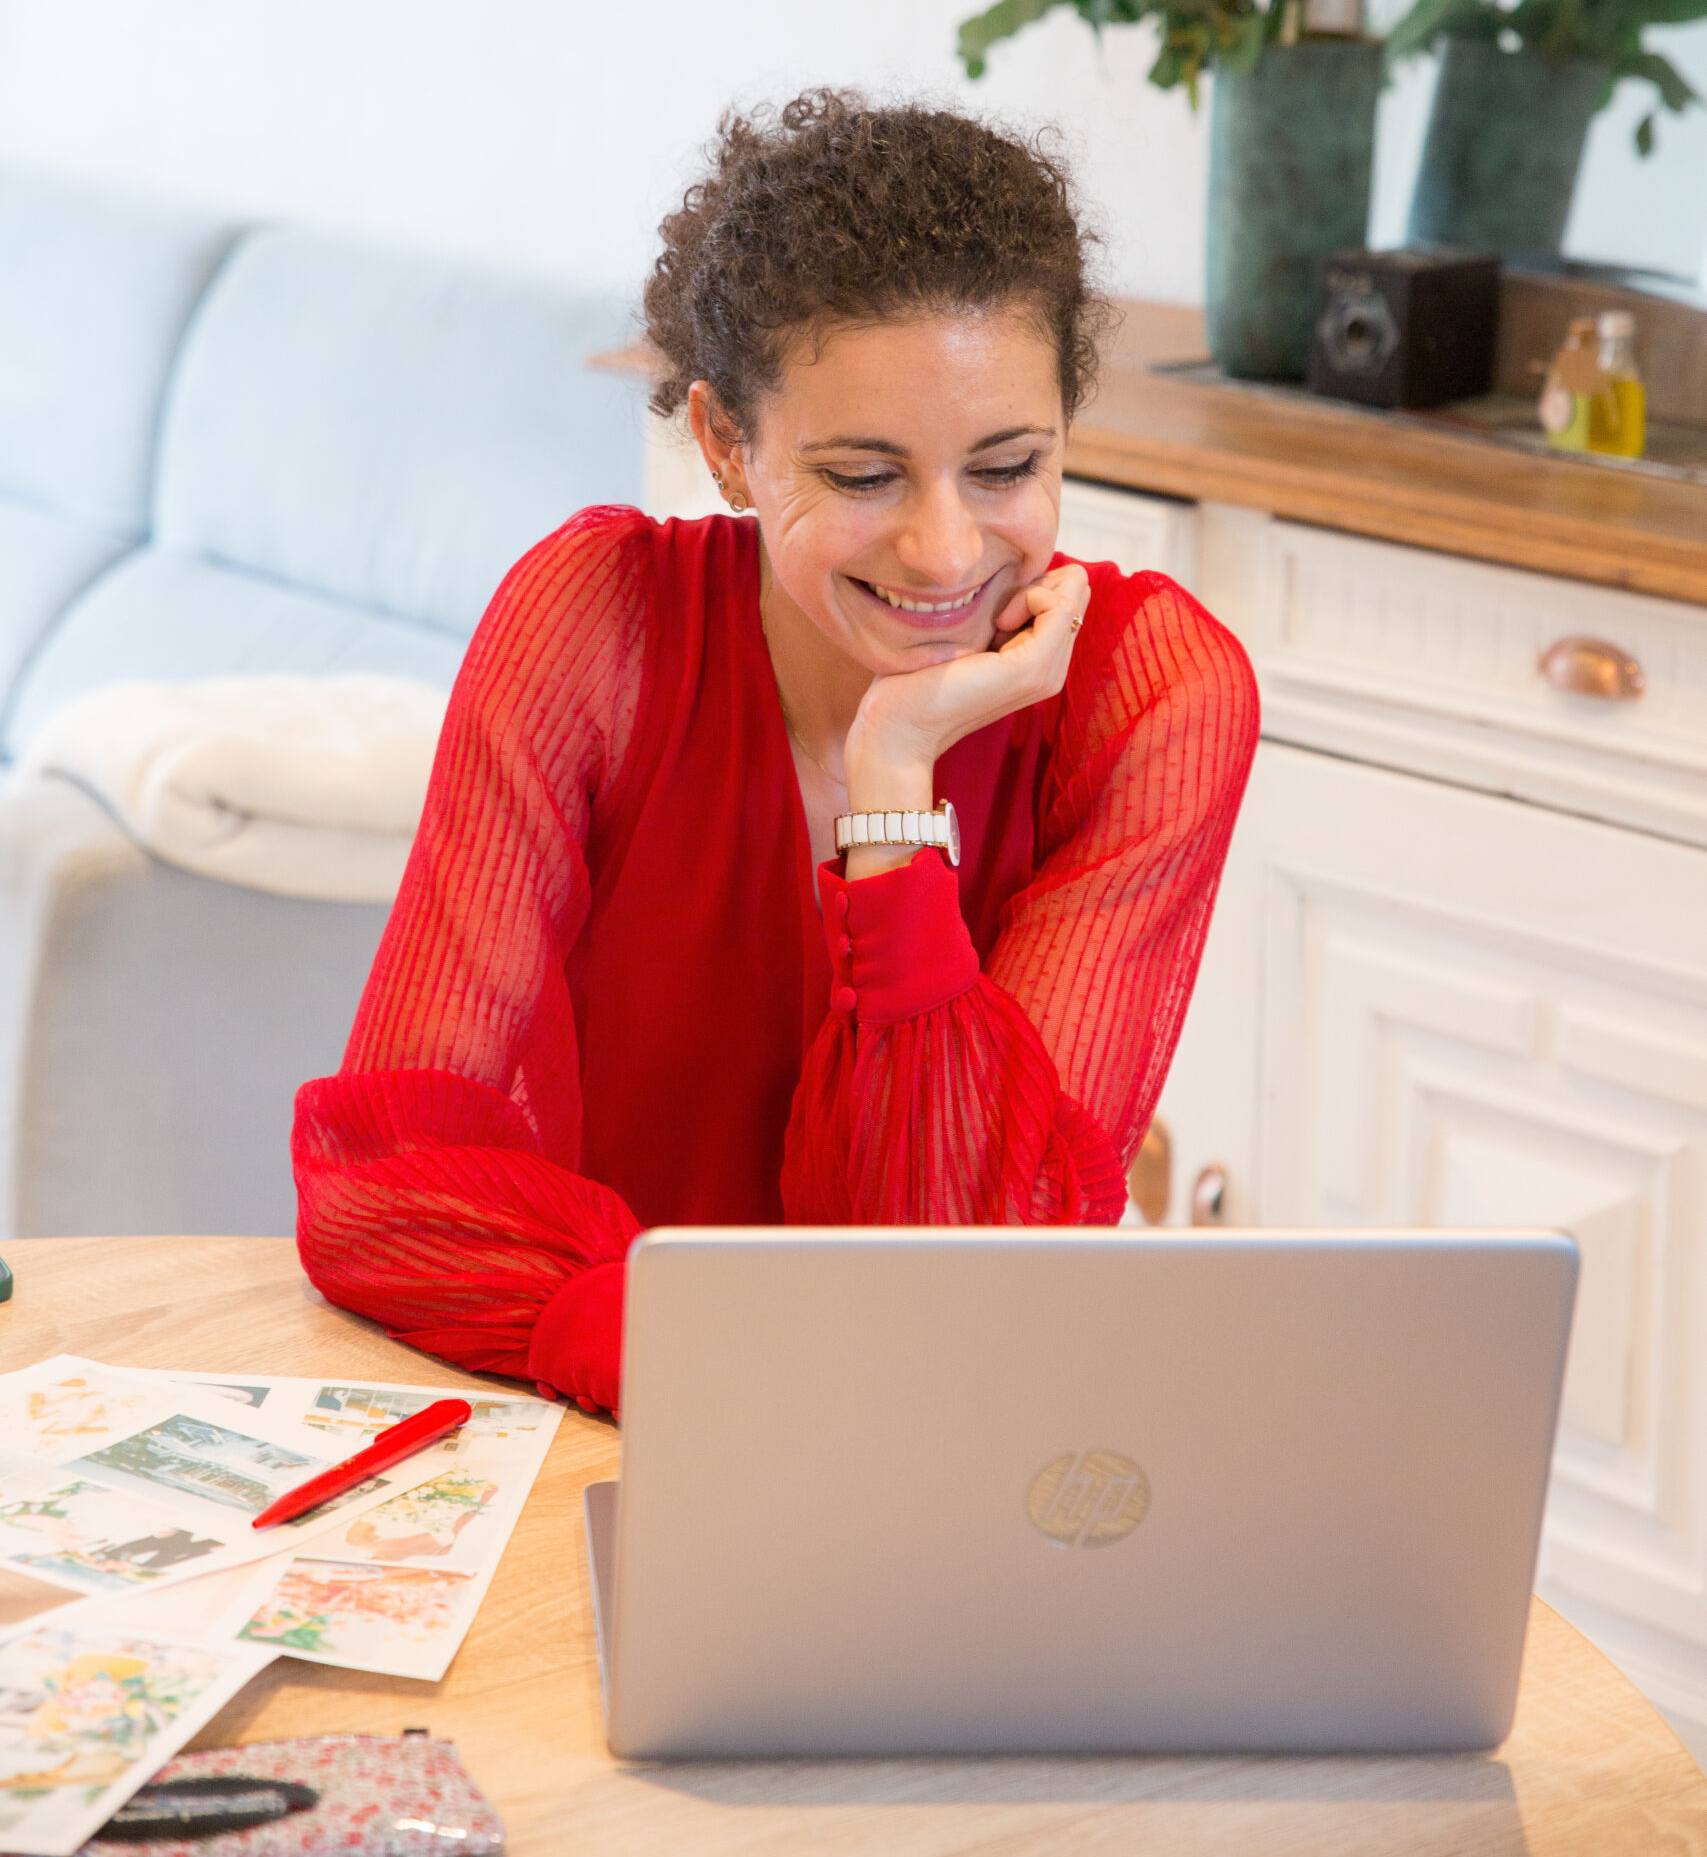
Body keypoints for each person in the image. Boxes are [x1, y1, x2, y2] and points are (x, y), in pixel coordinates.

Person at [293, 93, 1258, 1415]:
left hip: (941, 1453)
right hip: (615, 1420)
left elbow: (955, 1275)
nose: (945, 551)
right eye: (863, 476)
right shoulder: (596, 624)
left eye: (1005, 467)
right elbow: (383, 1185)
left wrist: (894, 784)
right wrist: (718, 1365)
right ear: (726, 447)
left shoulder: (1147, 696)